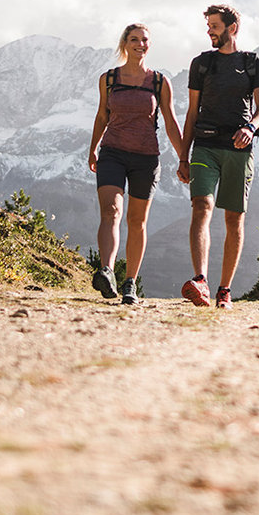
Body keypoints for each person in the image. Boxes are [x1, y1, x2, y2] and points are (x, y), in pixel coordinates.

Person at [178, 4, 259, 309]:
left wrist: (251, 127)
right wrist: (182, 156)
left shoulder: (252, 63)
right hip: (204, 145)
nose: (209, 31)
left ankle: (224, 290)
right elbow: (192, 112)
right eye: (208, 26)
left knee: (234, 219)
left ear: (233, 28)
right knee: (201, 206)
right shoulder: (201, 64)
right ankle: (200, 280)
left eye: (214, 26)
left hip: (239, 149)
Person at [87, 23, 184, 305]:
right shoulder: (108, 79)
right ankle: (106, 270)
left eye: (144, 40)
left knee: (137, 221)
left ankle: (130, 283)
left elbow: (170, 121)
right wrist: (93, 148)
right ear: (124, 43)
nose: (140, 44)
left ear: (148, 45)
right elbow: (102, 116)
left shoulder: (159, 82)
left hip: (146, 157)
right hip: (112, 153)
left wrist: (182, 158)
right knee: (111, 211)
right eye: (134, 39)